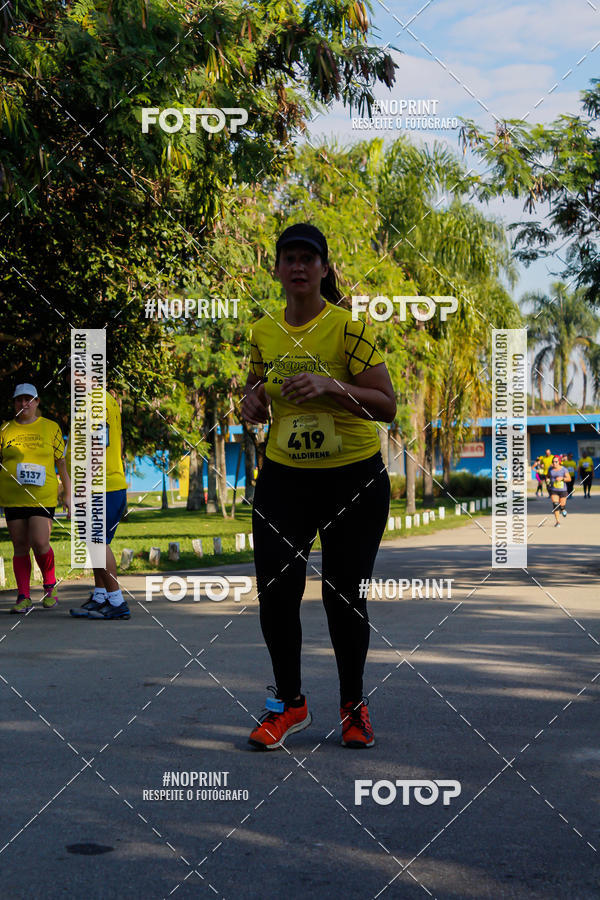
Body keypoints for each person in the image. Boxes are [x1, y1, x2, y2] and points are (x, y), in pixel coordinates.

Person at [241, 223, 396, 751]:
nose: (300, 266)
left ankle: (354, 707)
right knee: (275, 596)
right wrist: (252, 404)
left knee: (342, 597)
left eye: (310, 258)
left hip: (352, 478)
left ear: (325, 269)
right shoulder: (263, 331)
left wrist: (333, 386)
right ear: (278, 269)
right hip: (285, 478)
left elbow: (386, 405)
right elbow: (256, 393)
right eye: (290, 258)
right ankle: (289, 704)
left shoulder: (349, 329)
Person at [0, 382, 71, 613]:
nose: (24, 403)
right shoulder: (5, 430)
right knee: (19, 546)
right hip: (12, 496)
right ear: (14, 403)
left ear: (37, 402)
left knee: (40, 542)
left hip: (42, 495)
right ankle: (23, 596)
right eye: (19, 399)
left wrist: (68, 493)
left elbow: (61, 463)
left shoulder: (51, 428)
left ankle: (50, 587)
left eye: (29, 399)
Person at [68, 386, 130, 619]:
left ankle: (117, 601)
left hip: (101, 486)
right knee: (95, 542)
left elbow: (96, 445)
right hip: (106, 484)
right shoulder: (104, 400)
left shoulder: (94, 402)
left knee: (96, 541)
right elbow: (117, 441)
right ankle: (101, 595)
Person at [546, 455, 571, 526]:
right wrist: (547, 479)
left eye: (556, 462)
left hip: (563, 490)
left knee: (562, 505)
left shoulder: (564, 469)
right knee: (555, 505)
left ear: (559, 462)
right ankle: (557, 522)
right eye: (553, 462)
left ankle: (563, 509)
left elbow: (569, 479)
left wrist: (562, 478)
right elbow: (547, 476)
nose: (554, 463)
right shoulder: (550, 469)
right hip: (553, 490)